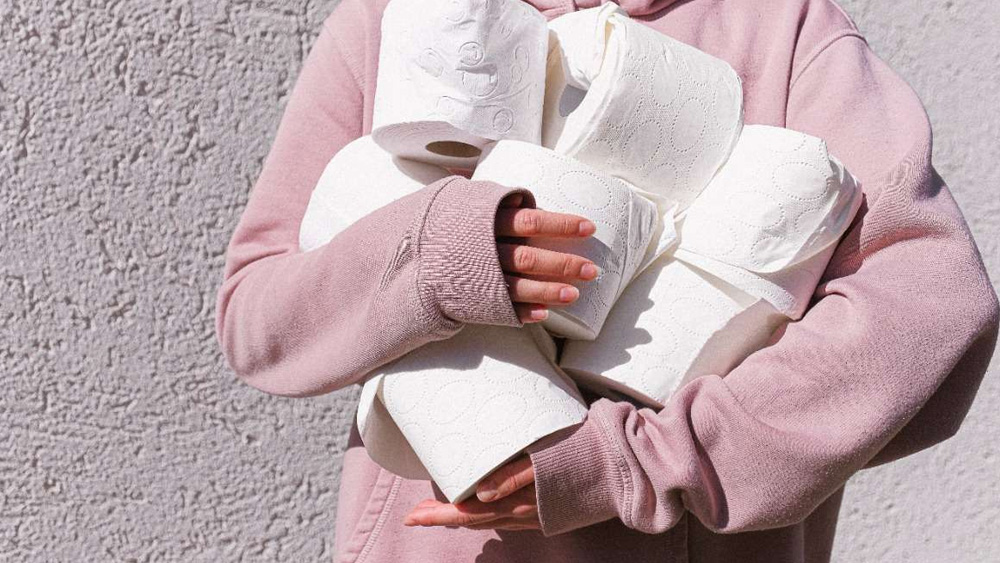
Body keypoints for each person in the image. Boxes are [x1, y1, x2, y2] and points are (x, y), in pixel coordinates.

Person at [214, 0, 999, 561]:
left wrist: (646, 462)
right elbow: (259, 317)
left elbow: (927, 302)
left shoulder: (782, 26)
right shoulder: (404, 19)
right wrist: (440, 253)